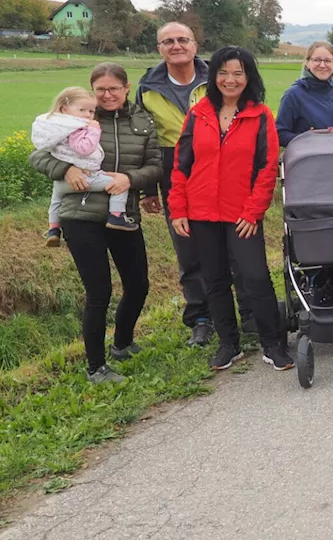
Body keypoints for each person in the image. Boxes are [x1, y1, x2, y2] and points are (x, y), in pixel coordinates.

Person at [28, 63, 162, 382]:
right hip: (80, 214)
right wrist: (66, 170)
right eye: (100, 89)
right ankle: (95, 367)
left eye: (114, 88)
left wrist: (129, 178)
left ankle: (122, 343)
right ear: (92, 91)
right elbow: (37, 155)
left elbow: (155, 165)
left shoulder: (142, 120)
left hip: (122, 212)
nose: (107, 95)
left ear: (126, 88)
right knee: (99, 291)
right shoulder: (79, 115)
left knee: (138, 284)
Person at [168, 46, 291, 372]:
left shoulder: (260, 114)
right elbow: (181, 165)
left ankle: (272, 344)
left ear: (248, 76)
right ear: (214, 76)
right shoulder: (198, 114)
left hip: (241, 215)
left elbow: (266, 168)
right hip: (202, 212)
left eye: (238, 73)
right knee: (215, 280)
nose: (230, 79)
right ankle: (229, 345)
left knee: (255, 277)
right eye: (223, 72)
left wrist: (253, 212)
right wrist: (177, 208)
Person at [136, 22, 251, 345]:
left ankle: (248, 311)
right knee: (189, 251)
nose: (176, 46)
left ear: (195, 44)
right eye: (168, 41)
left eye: (182, 39)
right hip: (175, 168)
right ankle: (202, 317)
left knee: (235, 244)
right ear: (159, 48)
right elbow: (146, 141)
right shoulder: (147, 87)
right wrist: (148, 189)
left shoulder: (216, 76)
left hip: (223, 163)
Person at [33, 87, 139, 238]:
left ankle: (53, 229)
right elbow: (84, 149)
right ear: (64, 109)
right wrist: (94, 131)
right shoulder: (77, 128)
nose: (88, 115)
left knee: (55, 200)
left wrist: (64, 169)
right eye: (82, 110)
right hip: (86, 177)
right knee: (119, 184)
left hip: (61, 181)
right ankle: (116, 216)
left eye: (91, 111)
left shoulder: (55, 128)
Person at [275, 41, 333, 146]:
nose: (322, 65)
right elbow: (279, 134)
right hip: (307, 160)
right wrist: (308, 139)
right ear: (307, 62)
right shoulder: (294, 95)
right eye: (317, 60)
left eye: (328, 61)